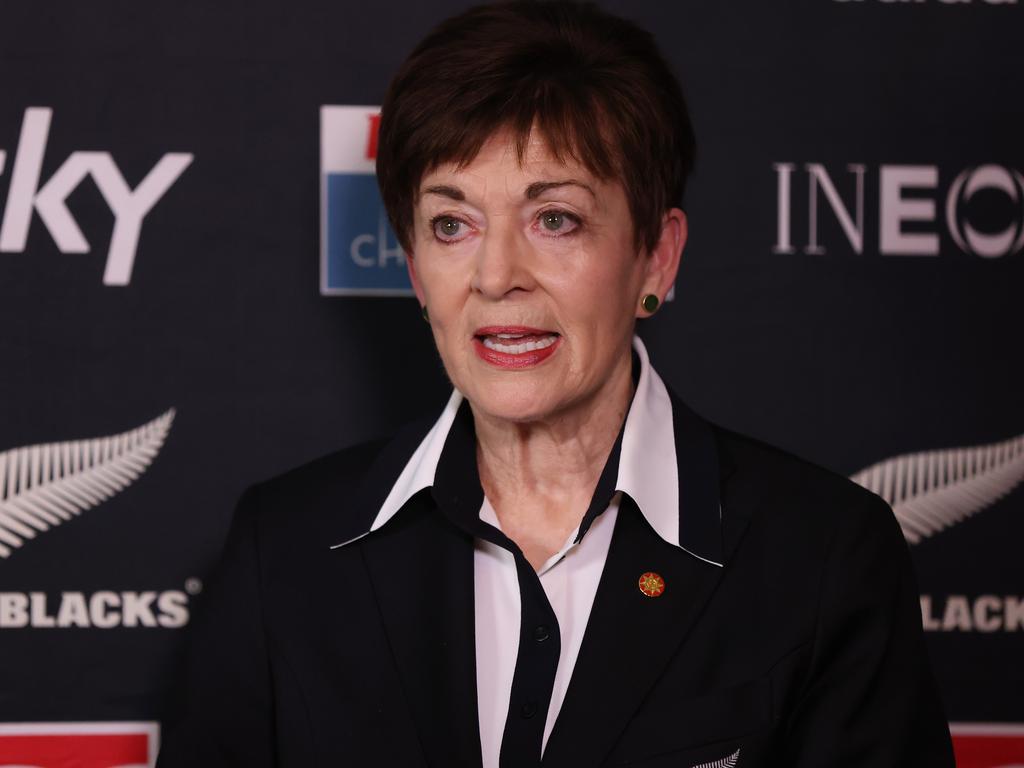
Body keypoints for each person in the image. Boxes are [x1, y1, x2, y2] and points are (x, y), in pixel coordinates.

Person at [157, 2, 956, 766]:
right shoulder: (284, 551)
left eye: (555, 219)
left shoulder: (822, 559)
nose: (497, 275)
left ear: (656, 257)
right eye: (452, 224)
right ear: (414, 267)